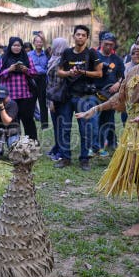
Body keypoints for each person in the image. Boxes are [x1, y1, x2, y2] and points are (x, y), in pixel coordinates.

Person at [77, 28, 139, 236]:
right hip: (134, 128)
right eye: (136, 42)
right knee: (138, 175)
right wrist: (94, 109)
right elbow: (119, 100)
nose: (137, 47)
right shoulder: (132, 71)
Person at [55, 25, 103, 170]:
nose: (80, 37)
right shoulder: (67, 53)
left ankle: (84, 159)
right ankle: (65, 158)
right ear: (73, 36)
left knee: (86, 129)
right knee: (64, 127)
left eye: (83, 35)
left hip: (85, 97)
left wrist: (83, 72)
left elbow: (99, 73)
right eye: (78, 35)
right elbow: (59, 71)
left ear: (87, 38)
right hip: (68, 96)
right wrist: (69, 73)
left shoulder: (92, 54)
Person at [0, 36, 39, 141]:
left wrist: (26, 70)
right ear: (10, 46)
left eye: (19, 45)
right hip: (10, 97)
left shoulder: (27, 58)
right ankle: (14, 145)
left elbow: (34, 73)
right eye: (14, 45)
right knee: (13, 122)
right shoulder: (3, 58)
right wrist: (9, 69)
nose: (16, 47)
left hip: (25, 95)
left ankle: (32, 144)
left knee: (28, 120)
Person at [93, 32, 124, 155]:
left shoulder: (117, 59)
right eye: (106, 44)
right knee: (95, 120)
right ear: (101, 43)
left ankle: (110, 142)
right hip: (95, 93)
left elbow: (123, 75)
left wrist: (118, 83)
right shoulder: (94, 56)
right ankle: (97, 145)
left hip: (111, 95)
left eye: (111, 45)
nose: (108, 47)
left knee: (109, 120)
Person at [45, 37, 69, 161]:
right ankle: (57, 147)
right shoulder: (54, 58)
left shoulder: (60, 61)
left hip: (58, 99)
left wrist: (52, 101)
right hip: (53, 97)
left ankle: (60, 152)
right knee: (57, 125)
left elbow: (57, 83)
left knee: (60, 125)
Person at [28, 32, 50, 130]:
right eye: (37, 42)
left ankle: (44, 124)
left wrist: (45, 39)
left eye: (41, 42)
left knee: (43, 102)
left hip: (42, 79)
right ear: (33, 43)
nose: (39, 44)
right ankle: (30, 123)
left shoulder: (46, 54)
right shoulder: (29, 54)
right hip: (32, 78)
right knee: (31, 102)